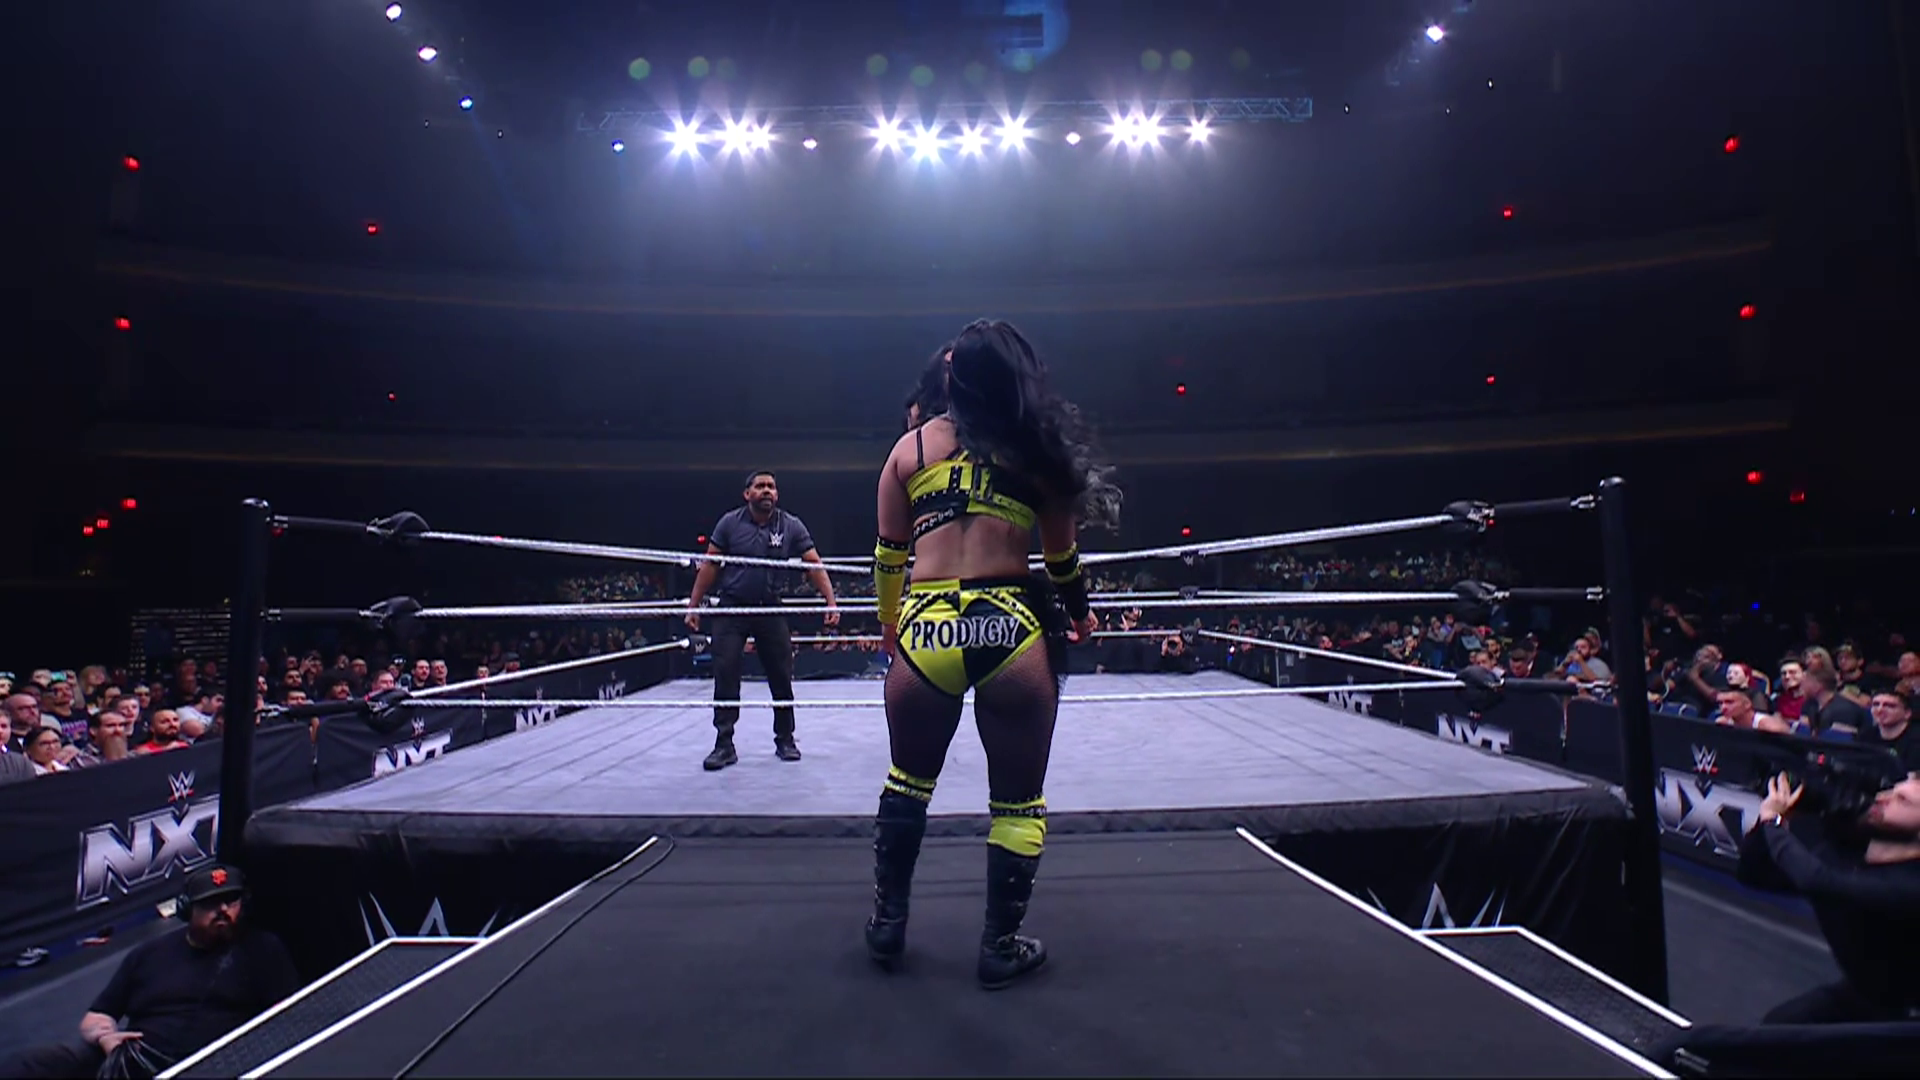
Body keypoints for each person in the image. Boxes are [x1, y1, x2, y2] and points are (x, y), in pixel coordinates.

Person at [864, 319, 1119, 990]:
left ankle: (888, 924)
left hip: (927, 628)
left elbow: (889, 554)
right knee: (1018, 803)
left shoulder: (910, 449)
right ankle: (999, 946)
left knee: (907, 782)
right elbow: (1061, 561)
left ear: (950, 379)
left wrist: (890, 626)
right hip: (1008, 625)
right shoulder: (1035, 452)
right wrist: (1081, 615)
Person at [5, 864, 302, 1078]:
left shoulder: (263, 950)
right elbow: (96, 1017)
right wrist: (106, 1038)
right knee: (29, 1065)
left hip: (212, 1064)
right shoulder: (149, 954)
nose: (223, 910)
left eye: (231, 901)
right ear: (187, 910)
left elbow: (292, 1016)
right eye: (211, 904)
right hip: (136, 1059)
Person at [1736, 771, 1920, 1024]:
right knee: (1777, 1027)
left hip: (1908, 1015)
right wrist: (1772, 821)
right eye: (1889, 791)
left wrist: (1773, 823)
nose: (1882, 798)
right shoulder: (1846, 855)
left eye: (1902, 801)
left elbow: (1818, 881)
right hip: (1867, 992)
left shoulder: (1910, 884)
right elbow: (1753, 873)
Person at [686, 470, 839, 770]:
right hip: (732, 608)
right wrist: (694, 606)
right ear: (747, 494)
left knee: (781, 674)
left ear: (777, 494)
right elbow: (710, 566)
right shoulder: (729, 523)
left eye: (771, 486)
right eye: (760, 486)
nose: (767, 490)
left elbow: (813, 564)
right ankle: (724, 744)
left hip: (770, 607)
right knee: (725, 673)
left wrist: (831, 601)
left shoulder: (790, 525)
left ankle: (785, 739)